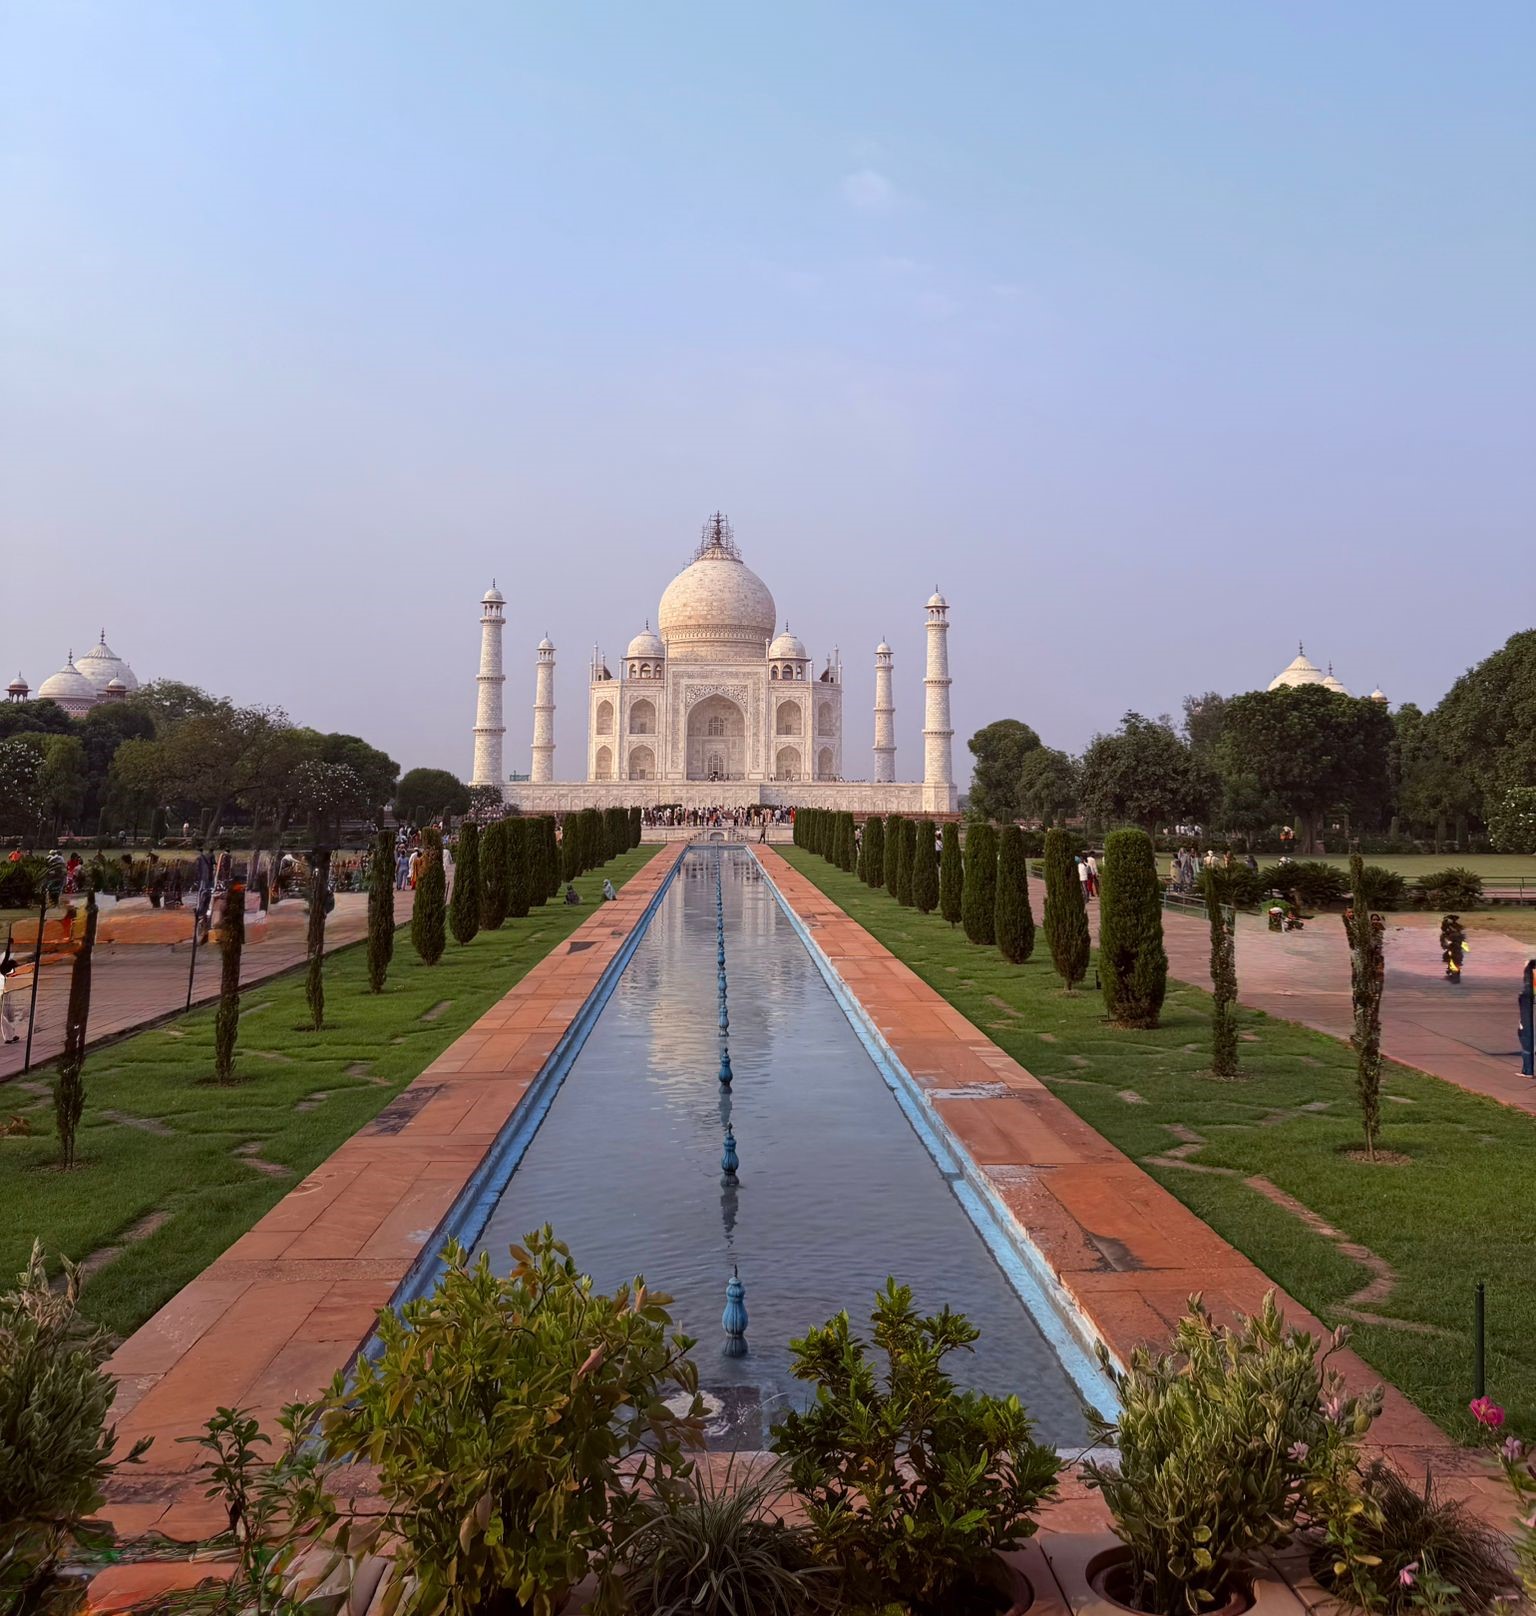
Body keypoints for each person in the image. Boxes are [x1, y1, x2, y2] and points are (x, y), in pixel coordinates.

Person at [0, 931, 21, 1045]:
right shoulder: (3, 970)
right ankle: (9, 1036)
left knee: (2, 1017)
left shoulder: (3, 971)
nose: (11, 970)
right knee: (2, 1017)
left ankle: (10, 1036)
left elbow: (8, 956)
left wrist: (10, 945)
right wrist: (9, 945)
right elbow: (8, 955)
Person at [1439, 914, 1467, 984]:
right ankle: (1453, 975)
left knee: (1454, 960)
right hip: (1455, 948)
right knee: (1452, 960)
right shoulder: (1456, 928)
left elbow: (1446, 940)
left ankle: (1454, 976)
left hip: (1455, 948)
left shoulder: (1454, 929)